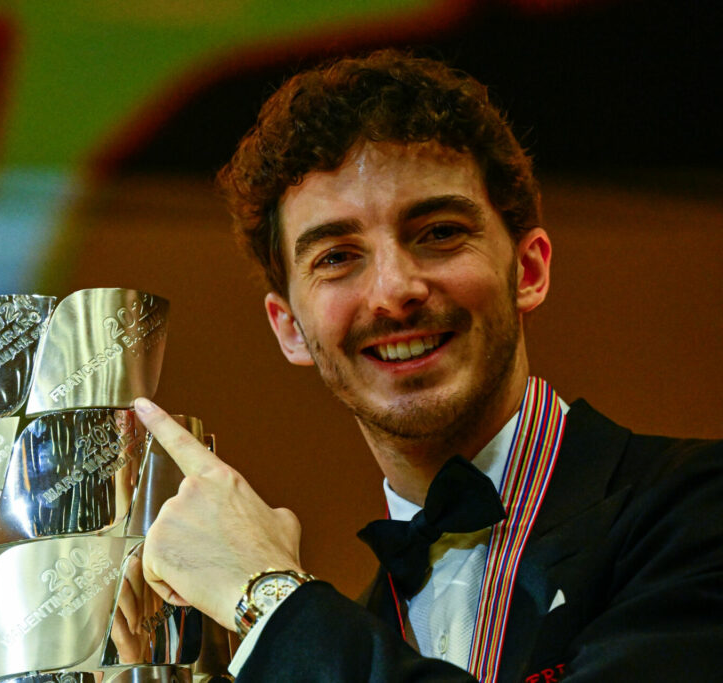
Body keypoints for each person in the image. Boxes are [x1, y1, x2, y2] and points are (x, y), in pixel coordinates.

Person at [131, 49, 723, 681]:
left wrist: (267, 597)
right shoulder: (350, 631)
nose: (394, 291)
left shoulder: (697, 510)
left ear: (528, 270)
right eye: (336, 257)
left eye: (438, 233)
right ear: (290, 329)